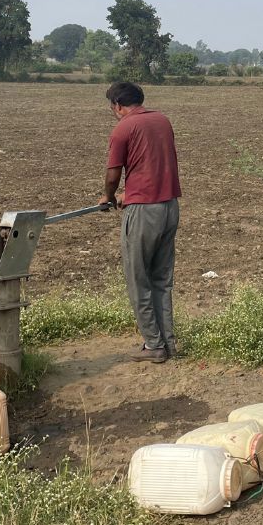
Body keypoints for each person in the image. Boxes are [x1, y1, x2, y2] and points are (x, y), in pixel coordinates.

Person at [102, 81, 182, 363]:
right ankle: (168, 343)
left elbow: (113, 174)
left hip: (143, 212)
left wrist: (108, 196)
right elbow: (151, 165)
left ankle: (153, 345)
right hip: (169, 205)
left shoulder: (123, 128)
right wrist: (129, 193)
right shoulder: (162, 121)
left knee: (138, 278)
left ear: (118, 105)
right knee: (162, 279)